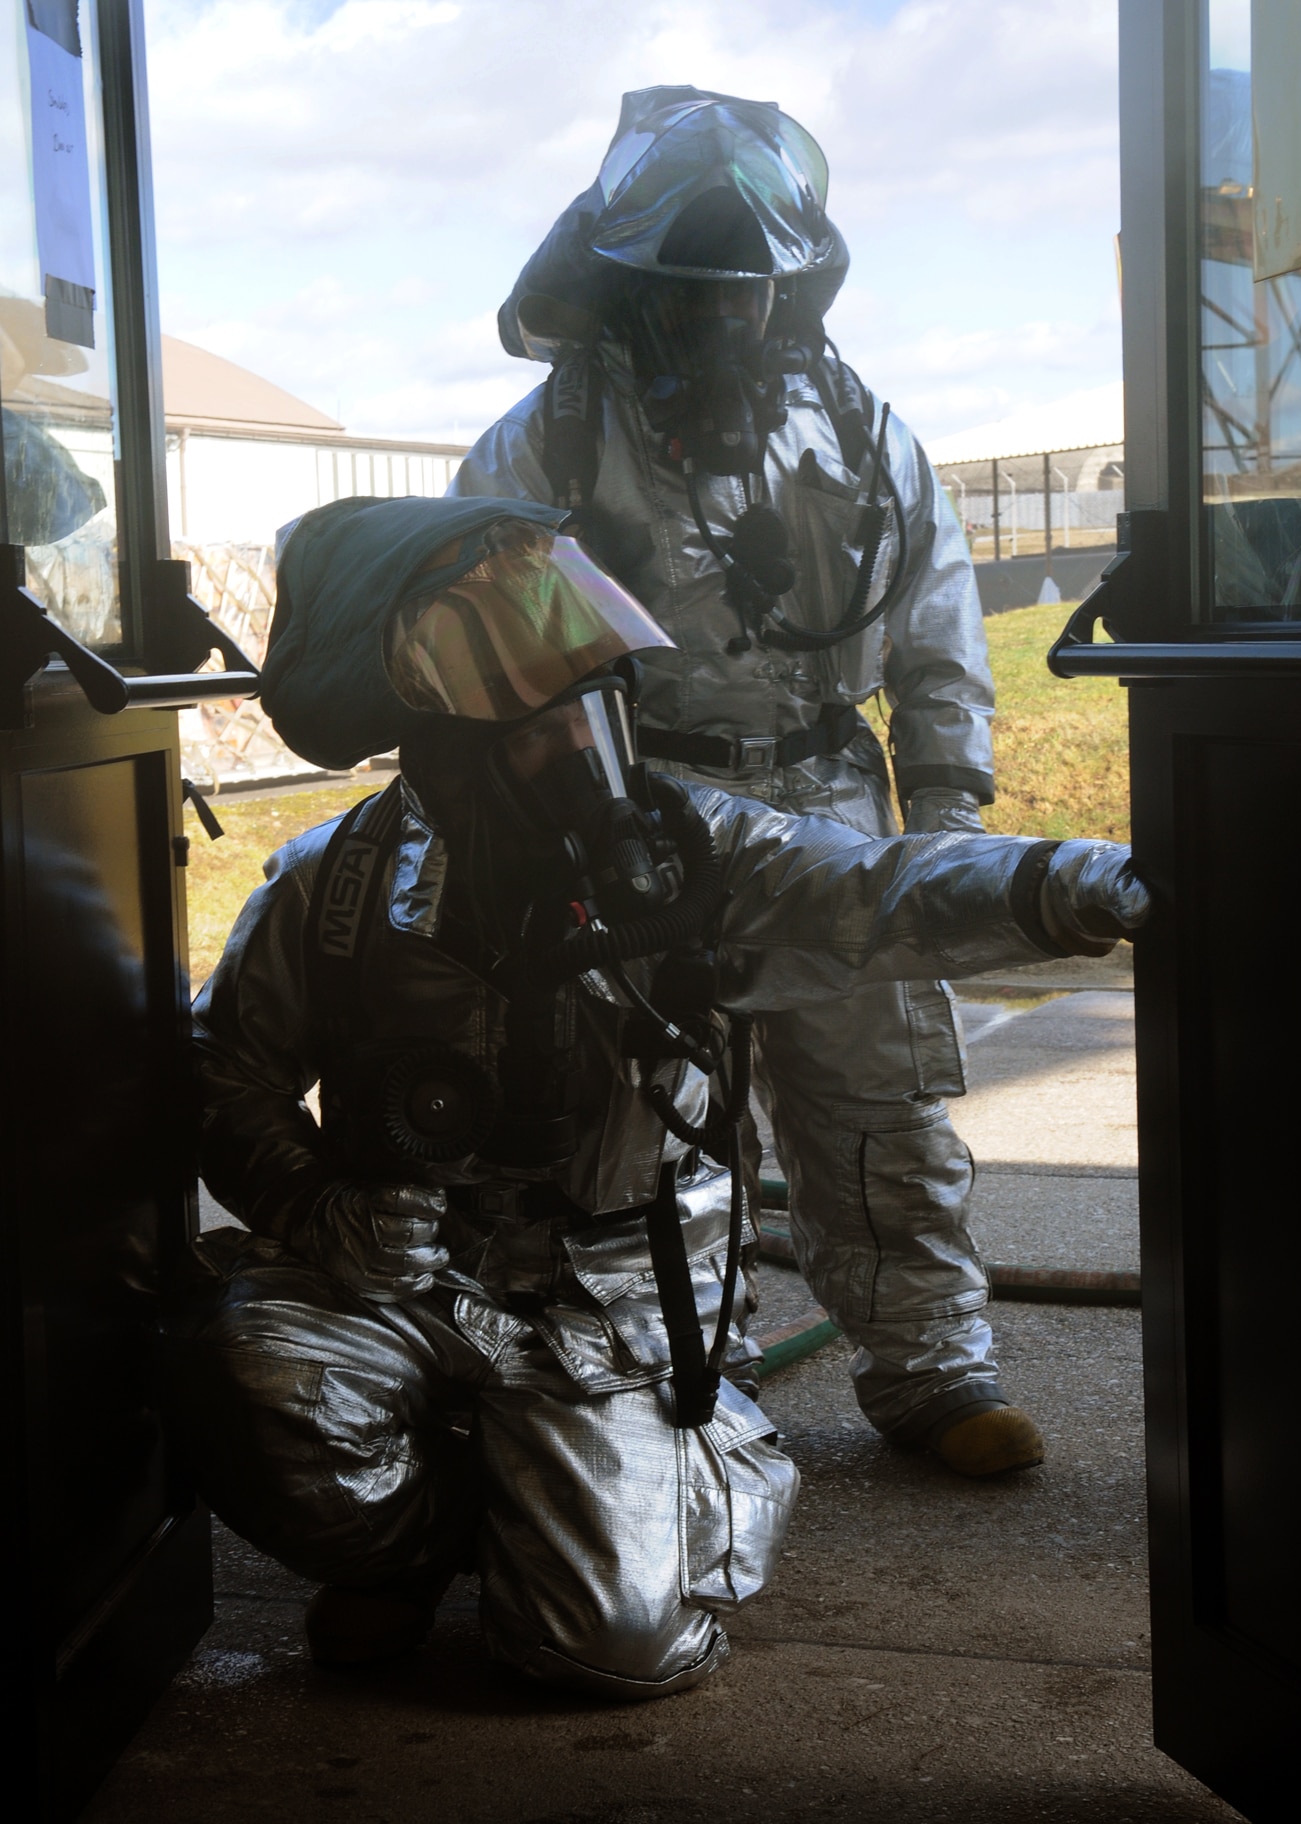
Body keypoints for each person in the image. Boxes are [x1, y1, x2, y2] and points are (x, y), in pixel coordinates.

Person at [164, 496, 1148, 1698]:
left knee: (606, 1652)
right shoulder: (336, 886)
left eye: (598, 706)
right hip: (406, 1283)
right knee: (239, 1367)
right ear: (443, 749)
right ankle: (421, 1544)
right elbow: (219, 1073)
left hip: (613, 1304)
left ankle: (621, 1489)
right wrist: (318, 1207)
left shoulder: (694, 855)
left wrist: (1080, 884)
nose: (585, 749)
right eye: (539, 728)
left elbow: (870, 887)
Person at [449, 85, 1042, 1474]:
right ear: (624, 285)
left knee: (876, 1114)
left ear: (786, 289)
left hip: (832, 808)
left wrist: (947, 814)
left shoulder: (859, 440)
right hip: (634, 825)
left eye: (742, 291)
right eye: (690, 291)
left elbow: (936, 617)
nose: (720, 319)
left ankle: (930, 1375)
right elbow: (477, 634)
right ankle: (641, 1392)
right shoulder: (544, 444)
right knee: (618, 1129)